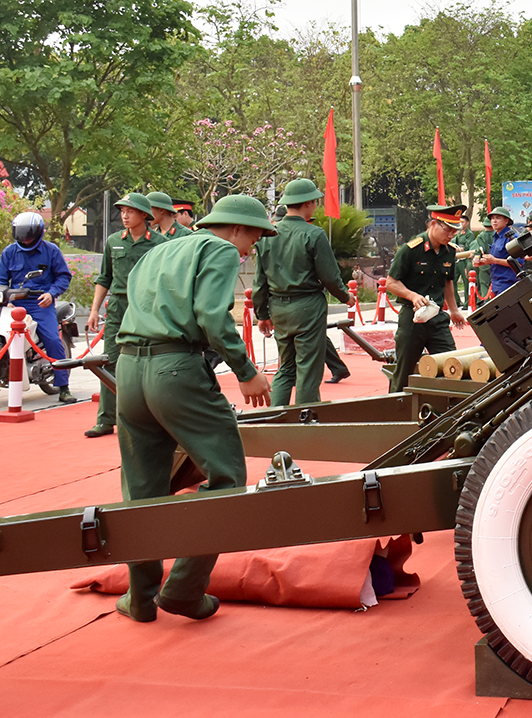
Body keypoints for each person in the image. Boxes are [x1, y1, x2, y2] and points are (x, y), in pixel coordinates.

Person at [112, 193, 275, 622]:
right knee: (227, 479)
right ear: (237, 228)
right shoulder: (219, 249)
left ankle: (140, 598)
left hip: (128, 373)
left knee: (142, 490)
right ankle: (184, 589)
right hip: (175, 372)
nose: (250, 249)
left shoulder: (158, 251)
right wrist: (246, 371)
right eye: (254, 237)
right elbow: (211, 315)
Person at [252, 179, 351, 406]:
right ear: (308, 203)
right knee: (308, 368)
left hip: (279, 308)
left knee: (285, 366)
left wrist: (262, 314)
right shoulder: (313, 234)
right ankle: (305, 420)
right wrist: (346, 297)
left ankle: (275, 413)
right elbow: (330, 277)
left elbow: (260, 281)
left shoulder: (267, 236)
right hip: (307, 306)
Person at [86, 193, 166, 438]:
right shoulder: (113, 241)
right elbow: (105, 277)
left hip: (146, 306)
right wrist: (94, 310)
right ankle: (106, 419)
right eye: (122, 211)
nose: (124, 215)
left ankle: (145, 416)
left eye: (130, 211)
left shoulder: (159, 243)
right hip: (118, 306)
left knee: (146, 361)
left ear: (144, 215)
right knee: (109, 361)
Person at [0, 212, 75, 403]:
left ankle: (63, 387)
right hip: (13, 303)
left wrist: (51, 293)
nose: (26, 240)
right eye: (22, 235)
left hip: (39, 303)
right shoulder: (9, 252)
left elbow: (63, 276)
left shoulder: (51, 250)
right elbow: (1, 280)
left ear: (39, 232)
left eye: (29, 235)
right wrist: (5, 299)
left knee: (53, 340)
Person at [387, 205, 470, 392]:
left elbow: (448, 281)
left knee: (451, 366)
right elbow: (391, 282)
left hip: (437, 319)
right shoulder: (410, 250)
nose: (451, 235)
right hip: (412, 319)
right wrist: (412, 295)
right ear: (433, 224)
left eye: (454, 231)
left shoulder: (449, 251)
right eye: (447, 229)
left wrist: (454, 310)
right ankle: (395, 411)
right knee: (404, 370)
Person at [476, 206, 522, 298]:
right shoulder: (496, 237)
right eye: (492, 218)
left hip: (508, 284)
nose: (494, 221)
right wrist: (482, 262)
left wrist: (494, 260)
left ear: (506, 221)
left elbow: (519, 264)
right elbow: (496, 259)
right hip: (497, 284)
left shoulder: (512, 238)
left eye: (498, 218)